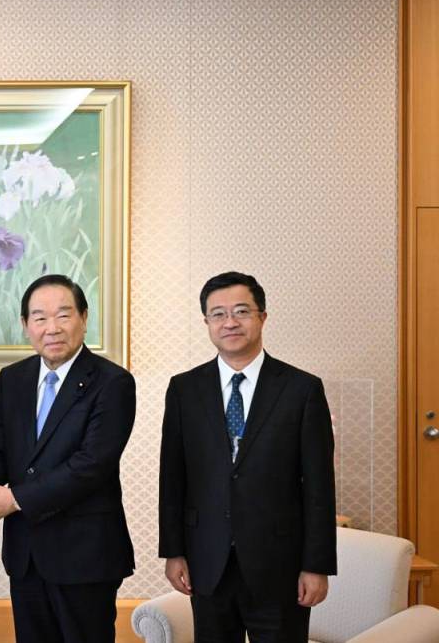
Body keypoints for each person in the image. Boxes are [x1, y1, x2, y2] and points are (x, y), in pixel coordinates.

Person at [0, 274, 136, 643]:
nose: (52, 328)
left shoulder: (112, 382)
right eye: (40, 318)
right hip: (27, 554)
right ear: (25, 325)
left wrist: (13, 499)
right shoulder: (12, 379)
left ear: (84, 318)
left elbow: (91, 465)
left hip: (86, 554)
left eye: (64, 315)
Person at [158, 271, 336, 642]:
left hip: (280, 565)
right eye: (218, 314)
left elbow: (319, 486)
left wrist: (316, 565)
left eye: (241, 311)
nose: (230, 322)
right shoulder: (184, 389)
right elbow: (172, 477)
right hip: (207, 561)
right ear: (207, 322)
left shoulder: (301, 389)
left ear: (262, 317)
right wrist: (173, 552)